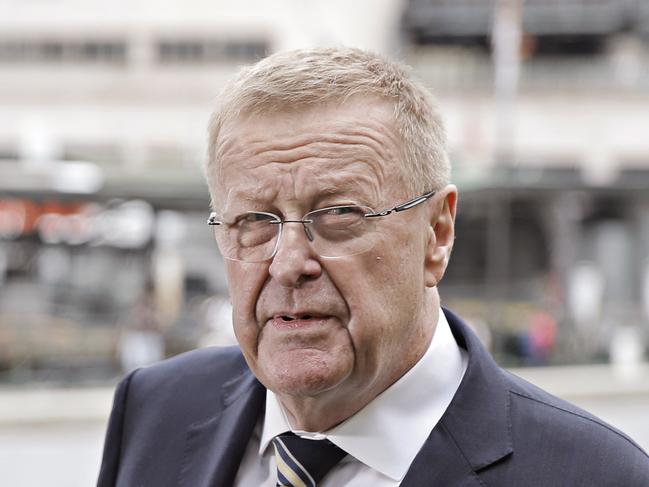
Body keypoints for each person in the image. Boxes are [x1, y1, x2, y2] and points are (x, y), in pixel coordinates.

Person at [97, 47, 649, 486]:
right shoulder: (152, 410)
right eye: (255, 220)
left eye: (338, 214)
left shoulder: (596, 475)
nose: (289, 263)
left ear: (437, 233)